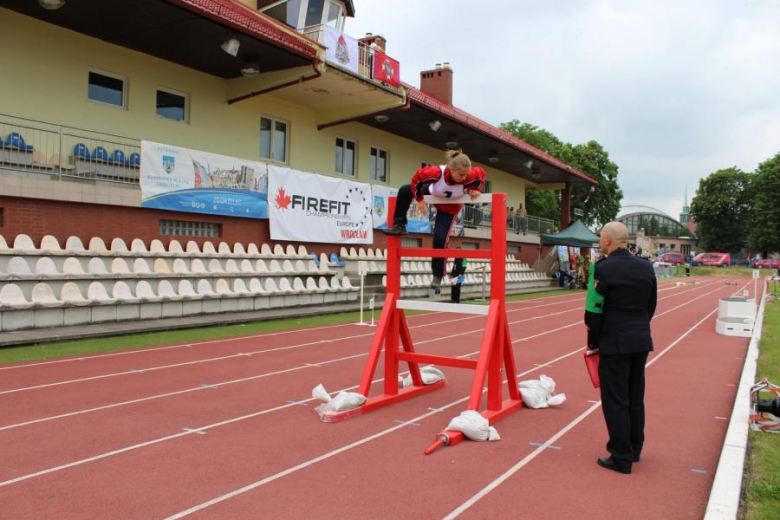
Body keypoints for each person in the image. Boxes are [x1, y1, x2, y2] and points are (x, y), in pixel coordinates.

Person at [585, 221, 657, 475]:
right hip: (640, 339)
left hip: (614, 340)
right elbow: (651, 306)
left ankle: (620, 456)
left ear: (607, 240)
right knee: (635, 396)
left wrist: (593, 342)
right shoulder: (647, 267)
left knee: (615, 400)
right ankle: (635, 448)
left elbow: (593, 311)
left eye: (601, 238)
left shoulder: (602, 269)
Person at [384, 150, 485, 293]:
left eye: (466, 175)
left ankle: (437, 275)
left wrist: (475, 189)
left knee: (440, 239)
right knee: (405, 190)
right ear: (452, 169)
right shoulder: (436, 173)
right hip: (433, 192)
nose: (464, 178)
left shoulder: (470, 175)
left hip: (449, 208)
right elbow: (416, 180)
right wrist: (419, 199)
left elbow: (481, 174)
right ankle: (399, 224)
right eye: (461, 175)